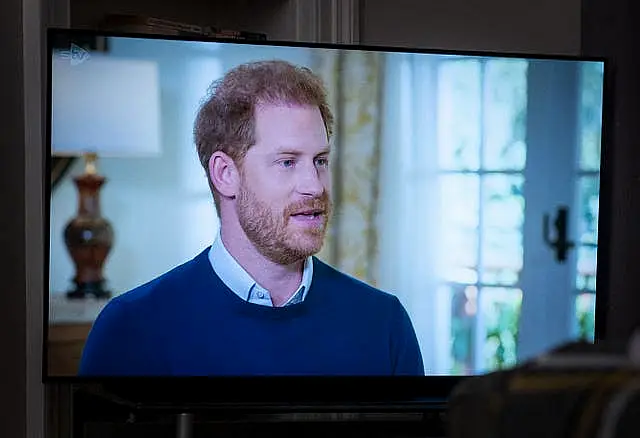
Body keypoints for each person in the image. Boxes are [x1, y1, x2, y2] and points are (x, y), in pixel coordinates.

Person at [78, 59, 424, 376]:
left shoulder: (383, 323)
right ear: (225, 174)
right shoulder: (130, 328)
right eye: (288, 162)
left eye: (320, 160)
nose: (314, 186)